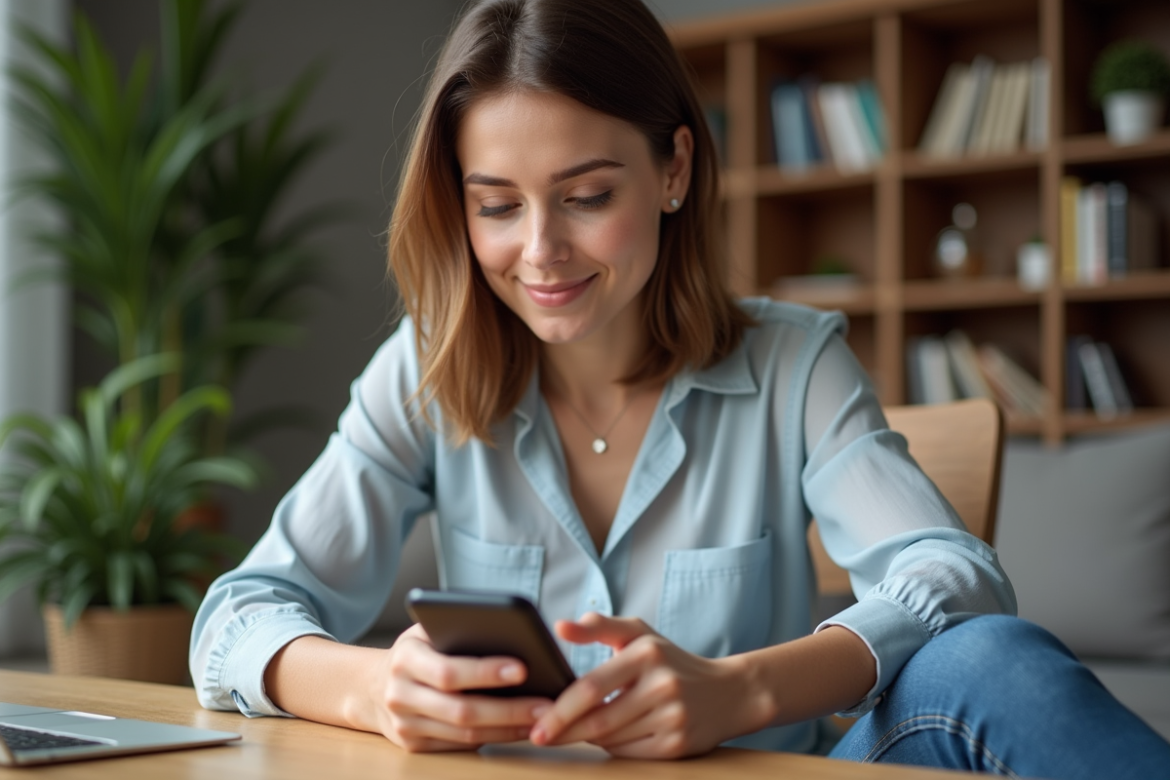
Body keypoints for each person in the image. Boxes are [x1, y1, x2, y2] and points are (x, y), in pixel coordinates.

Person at [190, 0, 1170, 775]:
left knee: (990, 661)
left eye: (586, 197)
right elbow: (236, 617)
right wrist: (373, 686)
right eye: (497, 206)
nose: (539, 253)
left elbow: (961, 580)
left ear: (673, 169)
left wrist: (740, 692)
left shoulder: (792, 363)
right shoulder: (426, 366)